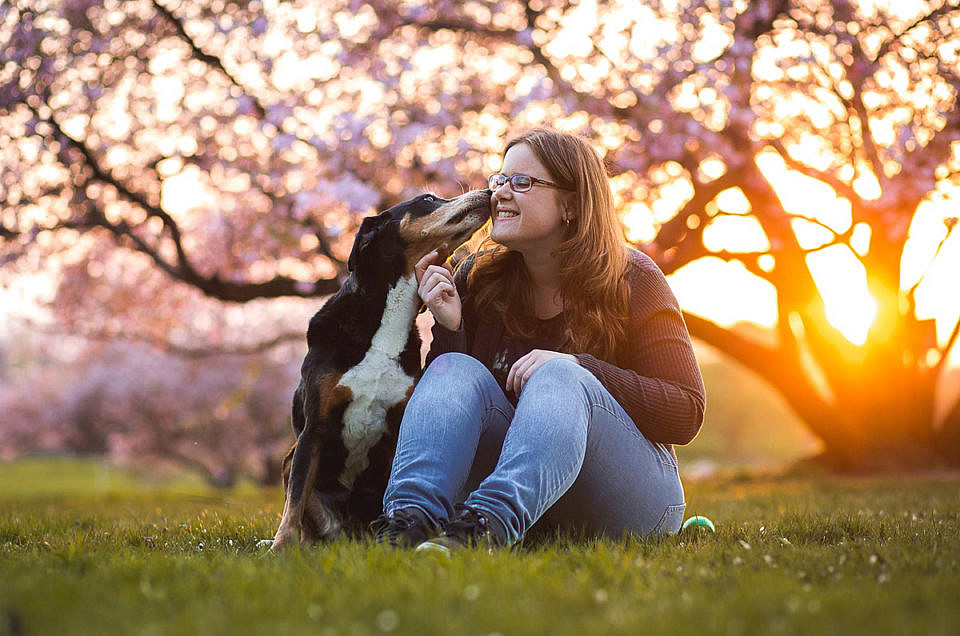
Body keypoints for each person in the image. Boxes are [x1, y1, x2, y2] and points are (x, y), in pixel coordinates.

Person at [371, 128, 705, 551]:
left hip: (628, 502)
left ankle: (486, 532)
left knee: (561, 376)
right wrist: (452, 327)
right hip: (531, 494)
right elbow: (458, 418)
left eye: (522, 183)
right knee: (453, 368)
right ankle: (405, 524)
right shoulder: (479, 278)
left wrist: (581, 368)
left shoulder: (633, 277)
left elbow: (685, 412)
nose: (499, 195)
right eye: (500, 180)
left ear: (571, 203)